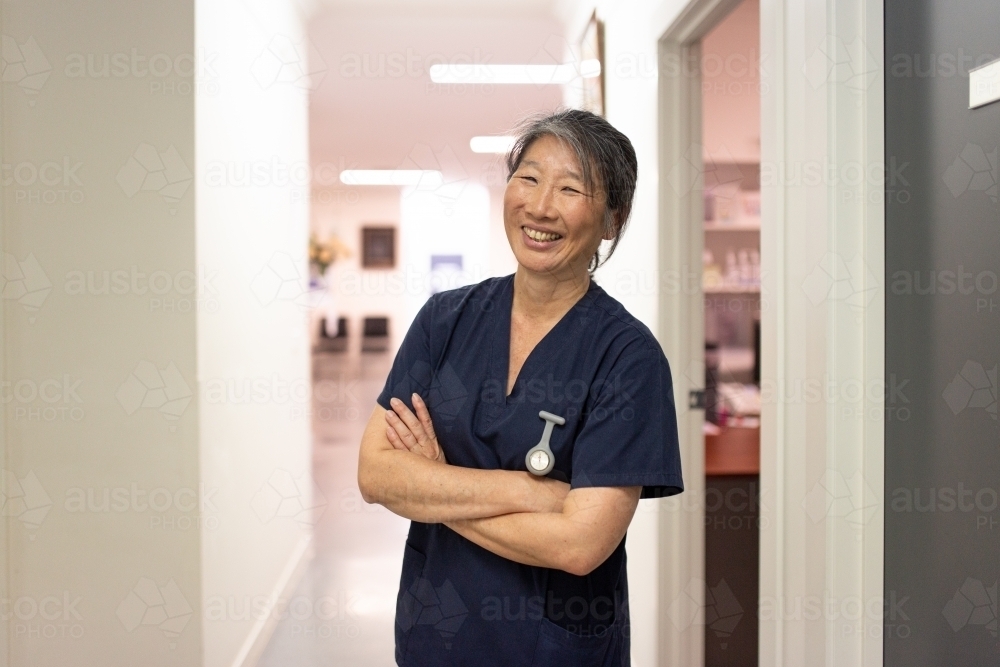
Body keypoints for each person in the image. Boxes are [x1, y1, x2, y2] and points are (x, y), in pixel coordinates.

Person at [357, 108, 684, 667]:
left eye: (571, 188)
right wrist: (532, 493)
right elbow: (375, 474)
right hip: (437, 630)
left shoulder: (628, 357)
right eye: (528, 177)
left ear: (612, 219)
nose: (540, 206)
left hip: (553, 646)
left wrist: (433, 487)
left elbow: (580, 545)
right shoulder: (445, 320)